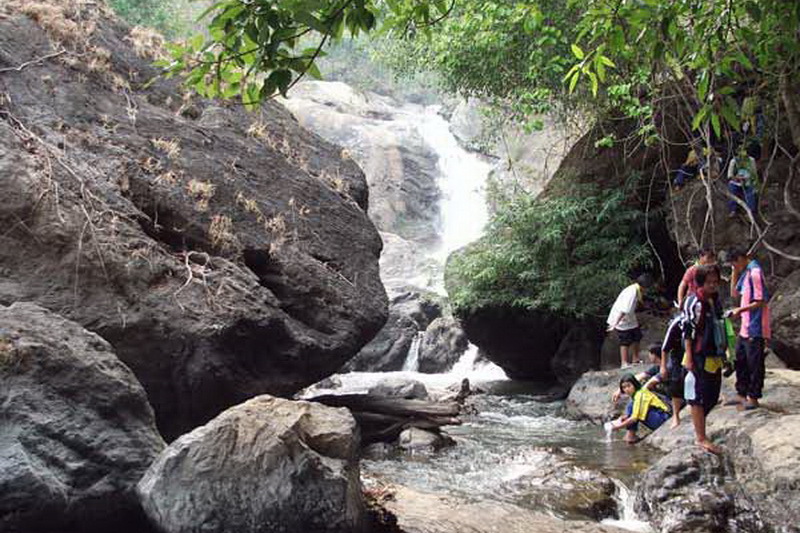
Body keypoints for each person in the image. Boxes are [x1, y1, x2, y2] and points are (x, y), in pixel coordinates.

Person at [682, 264, 725, 454]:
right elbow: (687, 332)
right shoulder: (694, 302)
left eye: (715, 282)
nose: (713, 286)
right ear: (701, 283)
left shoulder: (714, 300)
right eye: (709, 282)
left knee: (713, 395)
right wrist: (689, 357)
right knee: (698, 396)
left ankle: (700, 430)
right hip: (698, 354)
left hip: (713, 353)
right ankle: (701, 437)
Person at [728, 247, 771, 410]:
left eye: (734, 263)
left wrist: (740, 310)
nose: (734, 266)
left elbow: (760, 301)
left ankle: (753, 397)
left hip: (755, 326)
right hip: (745, 327)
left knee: (755, 363)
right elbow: (734, 294)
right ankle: (741, 393)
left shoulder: (755, 273)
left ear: (741, 258)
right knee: (740, 359)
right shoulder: (745, 272)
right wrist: (734, 272)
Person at [607, 273, 654, 368]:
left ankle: (635, 359)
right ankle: (624, 363)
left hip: (629, 317)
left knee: (637, 336)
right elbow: (624, 310)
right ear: (645, 286)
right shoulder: (632, 293)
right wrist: (614, 324)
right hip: (620, 317)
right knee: (625, 340)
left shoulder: (636, 289)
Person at [610, 374, 671, 443]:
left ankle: (631, 436)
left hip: (662, 418)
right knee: (631, 406)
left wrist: (618, 427)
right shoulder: (637, 394)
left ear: (634, 385)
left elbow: (634, 418)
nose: (627, 389)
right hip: (658, 416)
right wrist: (624, 418)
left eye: (629, 386)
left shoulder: (640, 394)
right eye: (624, 387)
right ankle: (630, 435)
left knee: (632, 406)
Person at [660, 313, 686, 428]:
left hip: (697, 355)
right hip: (678, 356)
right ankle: (676, 415)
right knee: (676, 384)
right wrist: (663, 366)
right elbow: (665, 348)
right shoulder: (677, 323)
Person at [727, 144, 760, 216]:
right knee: (732, 189)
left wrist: (749, 180)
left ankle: (750, 212)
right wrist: (737, 178)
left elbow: (754, 174)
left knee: (750, 192)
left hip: (748, 182)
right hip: (736, 182)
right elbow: (729, 176)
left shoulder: (751, 160)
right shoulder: (733, 161)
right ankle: (733, 210)